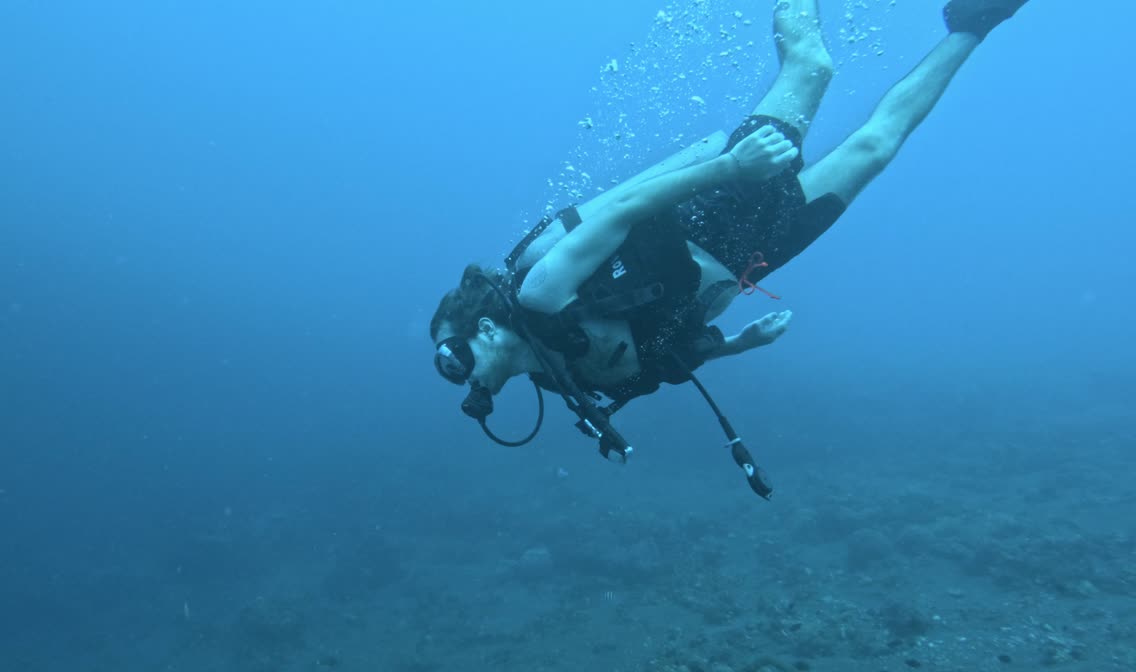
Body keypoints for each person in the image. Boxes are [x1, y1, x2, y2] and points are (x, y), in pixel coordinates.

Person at [430, 0, 1031, 492]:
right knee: (876, 148)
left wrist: (730, 169)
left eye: (450, 358)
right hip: (748, 262)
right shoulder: (565, 381)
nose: (461, 379)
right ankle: (976, 23)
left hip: (718, 211)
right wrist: (740, 345)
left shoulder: (540, 293)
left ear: (483, 330)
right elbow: (665, 358)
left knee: (812, 67)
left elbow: (622, 209)